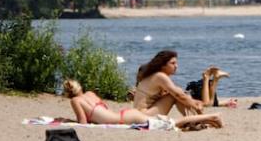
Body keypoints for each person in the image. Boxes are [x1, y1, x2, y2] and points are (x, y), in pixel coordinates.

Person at [63, 79, 221, 130]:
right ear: (79, 87)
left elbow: (83, 123)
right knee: (166, 123)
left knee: (170, 124)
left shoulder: (75, 101)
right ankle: (205, 120)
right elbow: (102, 110)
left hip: (124, 119)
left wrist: (69, 122)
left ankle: (211, 116)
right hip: (125, 115)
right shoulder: (90, 94)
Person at [133, 49, 205, 116]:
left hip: (140, 113)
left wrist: (192, 101)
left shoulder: (155, 75)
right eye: (172, 63)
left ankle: (193, 118)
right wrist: (195, 105)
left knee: (180, 93)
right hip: (144, 114)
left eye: (176, 63)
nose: (176, 66)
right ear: (163, 65)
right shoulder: (160, 76)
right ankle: (193, 118)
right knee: (176, 94)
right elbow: (178, 95)